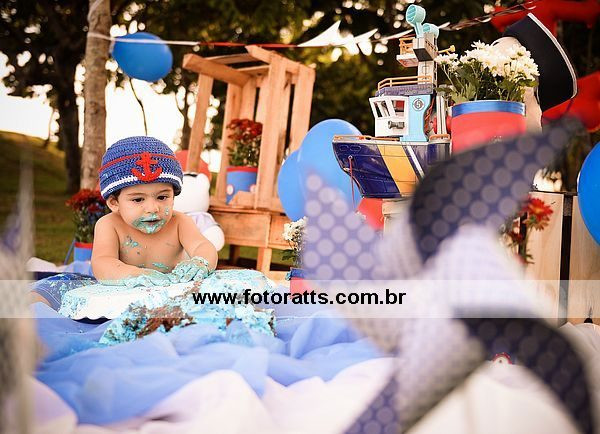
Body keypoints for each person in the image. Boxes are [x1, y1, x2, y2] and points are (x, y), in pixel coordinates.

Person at [31, 136, 218, 309]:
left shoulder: (180, 222)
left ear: (173, 196)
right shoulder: (109, 225)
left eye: (162, 197)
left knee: (219, 299)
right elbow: (102, 264)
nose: (152, 208)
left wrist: (200, 262)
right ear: (114, 203)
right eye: (138, 199)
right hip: (119, 293)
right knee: (54, 288)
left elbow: (203, 246)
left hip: (169, 293)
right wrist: (135, 275)